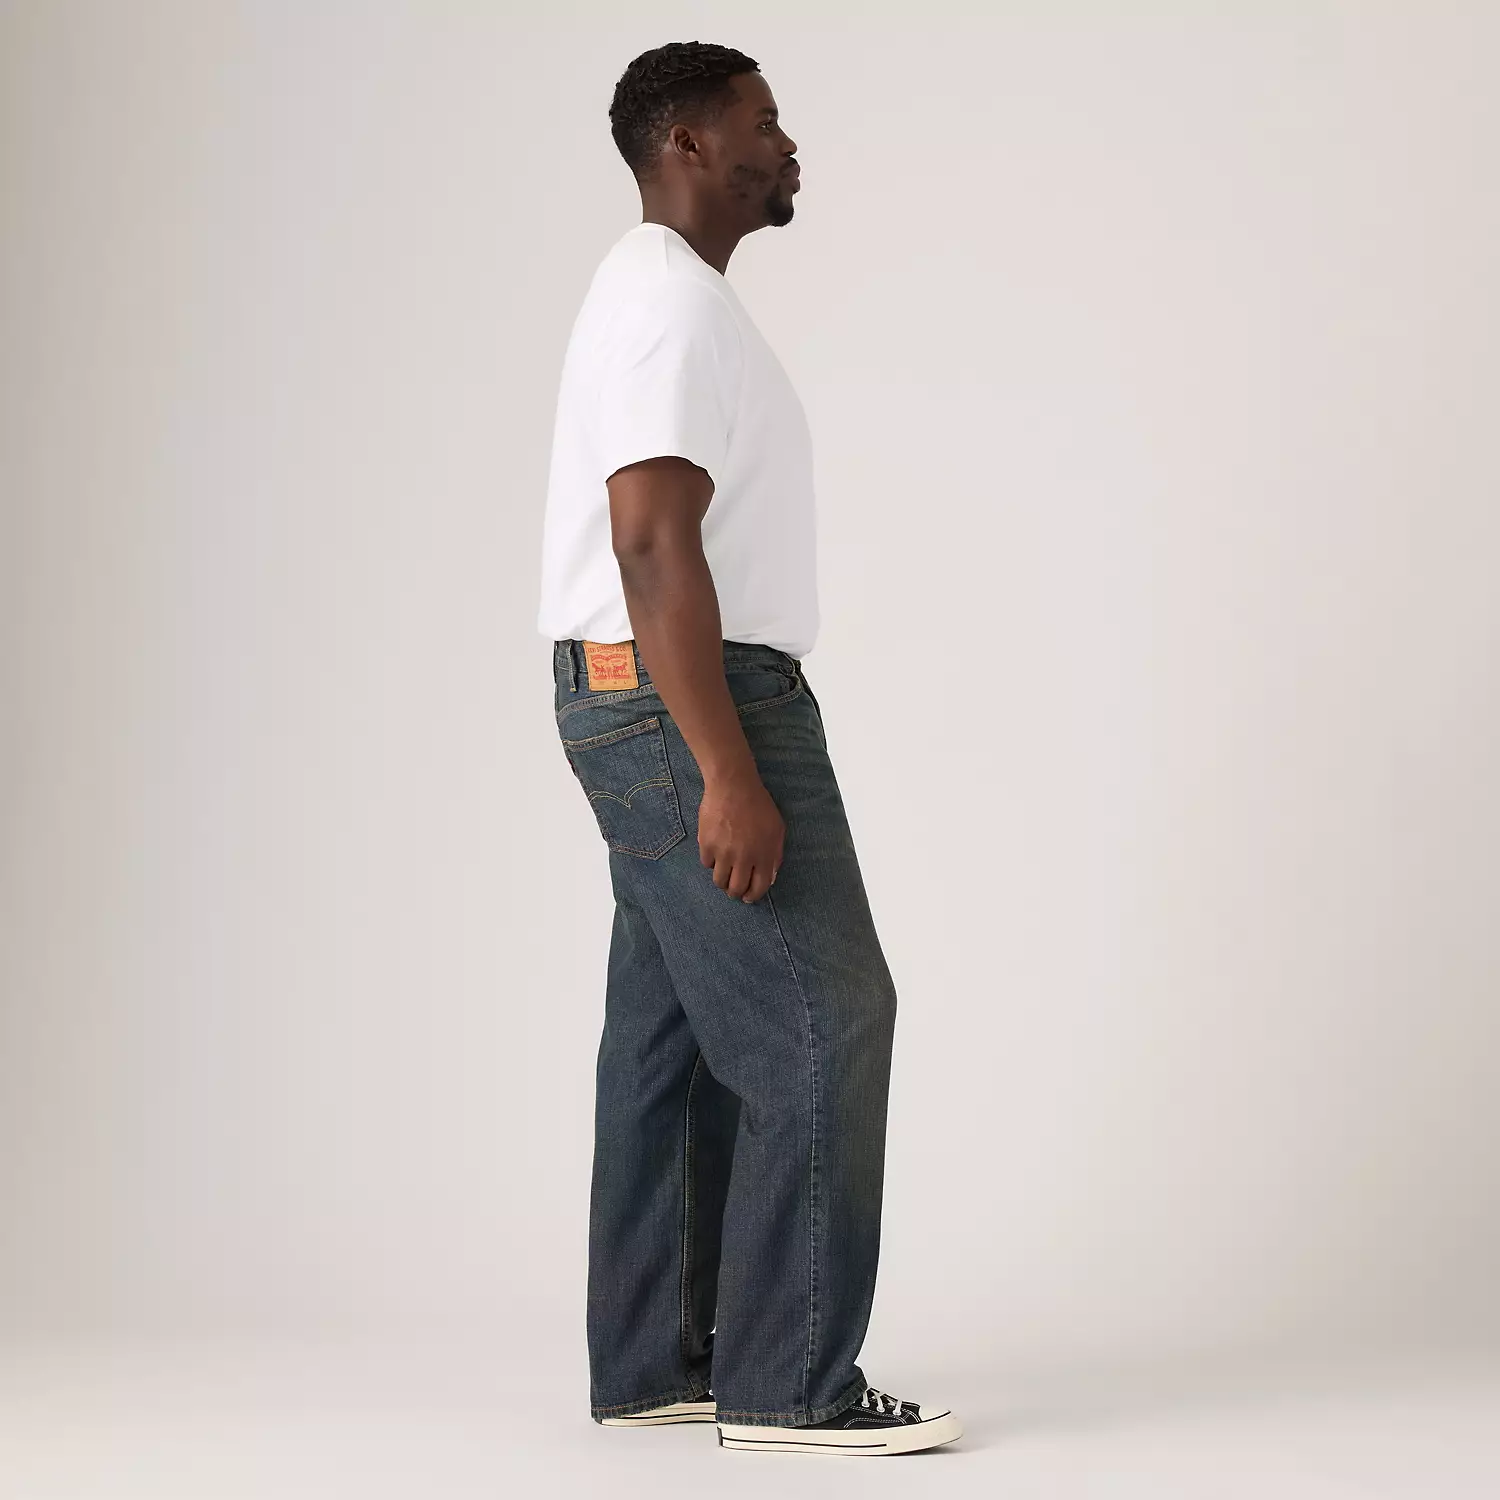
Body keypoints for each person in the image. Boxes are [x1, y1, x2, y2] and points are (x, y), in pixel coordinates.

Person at [535, 40, 961, 1458]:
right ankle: (792, 1383)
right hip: (690, 699)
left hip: (646, 692)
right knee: (823, 1016)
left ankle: (660, 1356)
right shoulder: (664, 303)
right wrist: (727, 764)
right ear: (688, 145)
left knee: (671, 1037)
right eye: (762, 122)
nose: (787, 146)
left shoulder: (669, 297)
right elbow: (652, 540)